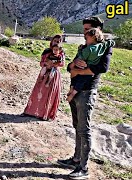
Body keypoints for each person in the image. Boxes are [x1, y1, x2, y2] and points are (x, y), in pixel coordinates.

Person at [57, 17, 113, 180]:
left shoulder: (104, 46)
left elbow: (103, 68)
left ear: (97, 30)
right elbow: (69, 66)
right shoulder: (85, 45)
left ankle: (84, 167)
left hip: (87, 91)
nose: (84, 33)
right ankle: (76, 159)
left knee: (84, 129)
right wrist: (74, 65)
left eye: (87, 30)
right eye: (84, 30)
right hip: (75, 89)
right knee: (77, 126)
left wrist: (80, 71)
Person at [22, 35, 65, 121]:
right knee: (38, 91)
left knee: (50, 94)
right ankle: (31, 112)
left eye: (58, 41)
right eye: (55, 40)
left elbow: (62, 64)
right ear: (51, 41)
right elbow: (41, 63)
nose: (56, 43)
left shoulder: (61, 53)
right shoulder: (46, 51)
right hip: (44, 74)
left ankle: (45, 114)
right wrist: (46, 64)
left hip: (54, 74)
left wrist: (53, 64)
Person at [66, 28, 115, 102]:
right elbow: (111, 42)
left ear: (93, 37)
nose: (85, 40)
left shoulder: (89, 49)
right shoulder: (103, 46)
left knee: (76, 78)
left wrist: (80, 50)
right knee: (82, 81)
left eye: (86, 38)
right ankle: (73, 92)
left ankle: (72, 90)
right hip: (89, 72)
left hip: (83, 70)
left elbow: (81, 57)